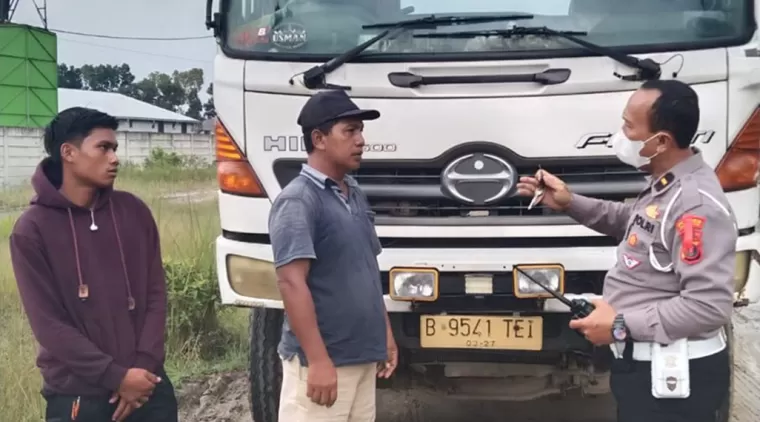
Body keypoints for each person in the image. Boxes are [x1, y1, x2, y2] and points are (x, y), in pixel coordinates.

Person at [516, 79, 736, 422]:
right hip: (647, 370)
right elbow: (635, 225)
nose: (620, 134)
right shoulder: (666, 184)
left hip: (674, 384)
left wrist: (621, 324)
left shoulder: (695, 206)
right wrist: (569, 202)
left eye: (629, 126)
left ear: (660, 141)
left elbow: (708, 306)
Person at [9, 107, 178, 422]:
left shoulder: (134, 212)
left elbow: (156, 294)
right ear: (69, 152)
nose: (114, 158)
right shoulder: (31, 230)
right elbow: (49, 325)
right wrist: (116, 376)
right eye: (103, 147)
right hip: (79, 395)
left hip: (147, 386)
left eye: (115, 148)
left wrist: (141, 369)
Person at [268, 89, 398, 421]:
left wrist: (383, 335)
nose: (361, 140)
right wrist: (319, 361)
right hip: (325, 367)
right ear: (319, 139)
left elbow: (367, 271)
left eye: (361, 131)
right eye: (350, 131)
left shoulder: (353, 193)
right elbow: (291, 283)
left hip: (361, 357)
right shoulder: (298, 200)